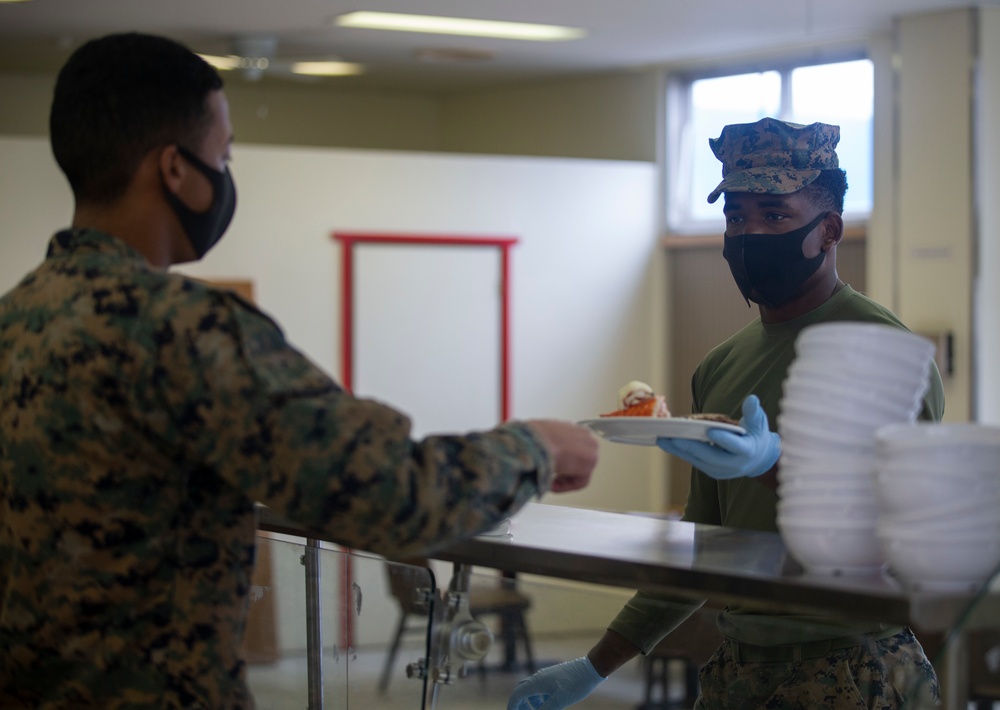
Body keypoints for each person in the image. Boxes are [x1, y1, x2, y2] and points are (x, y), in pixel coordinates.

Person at [0, 33, 600, 710]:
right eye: (222, 156)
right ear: (174, 168)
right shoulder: (182, 326)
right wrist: (533, 448)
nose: (224, 175)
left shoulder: (16, 319)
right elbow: (387, 493)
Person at [507, 118, 945, 709]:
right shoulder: (720, 366)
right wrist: (594, 665)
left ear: (829, 229)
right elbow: (702, 550)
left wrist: (773, 466)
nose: (749, 234)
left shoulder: (883, 350)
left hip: (854, 668)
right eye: (736, 217)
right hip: (739, 668)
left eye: (775, 215)